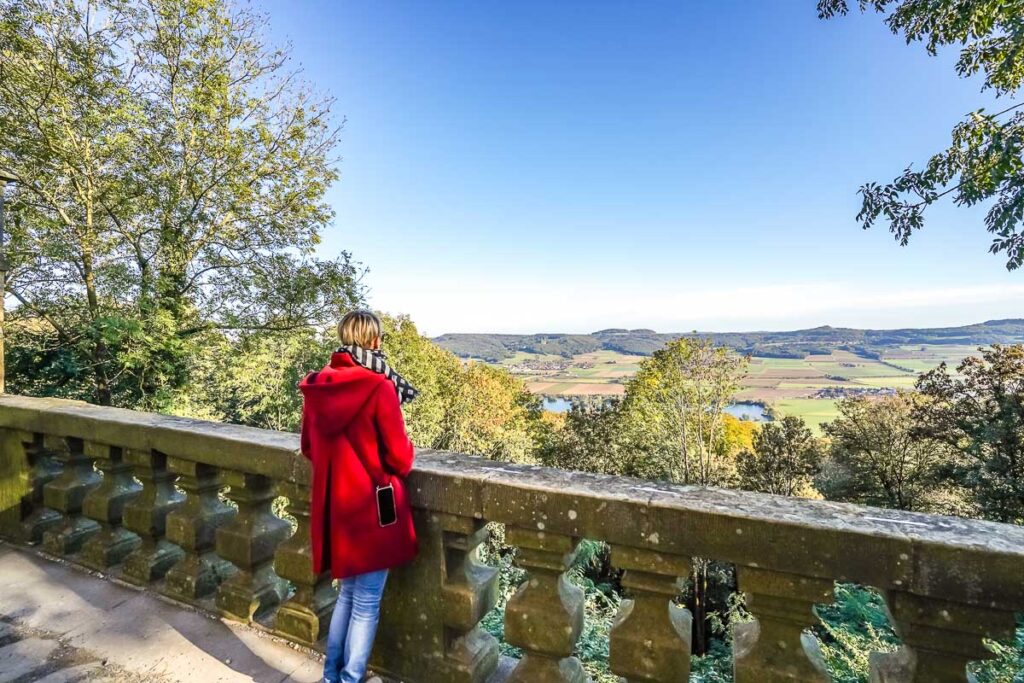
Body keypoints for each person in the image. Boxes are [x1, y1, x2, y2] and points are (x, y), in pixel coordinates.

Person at [299, 310, 419, 683]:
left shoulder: (317, 385)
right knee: (365, 601)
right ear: (375, 341)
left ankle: (331, 677)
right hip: (371, 506)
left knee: (348, 595)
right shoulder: (380, 386)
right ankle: (350, 679)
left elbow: (308, 447)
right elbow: (400, 457)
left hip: (337, 506)